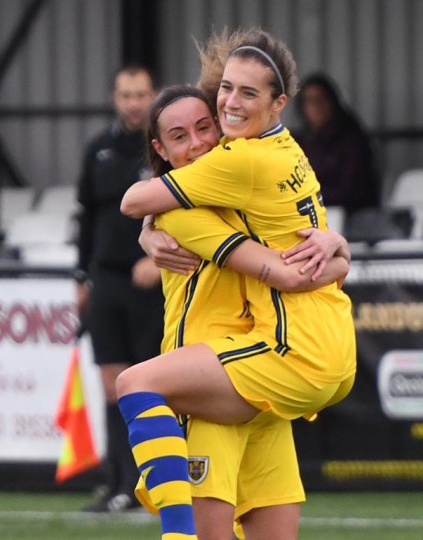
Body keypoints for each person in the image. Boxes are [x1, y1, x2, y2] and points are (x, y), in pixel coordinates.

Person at [118, 28, 357, 539]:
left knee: (134, 384)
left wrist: (338, 249)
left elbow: (291, 263)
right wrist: (339, 253)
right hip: (212, 381)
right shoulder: (186, 207)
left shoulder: (233, 173)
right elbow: (286, 268)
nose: (197, 143)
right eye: (179, 137)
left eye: (204, 128)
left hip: (251, 368)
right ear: (160, 150)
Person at [75, 64, 161, 513]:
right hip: (106, 279)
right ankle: (117, 483)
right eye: (126, 95)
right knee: (111, 384)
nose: (133, 103)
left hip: (151, 282)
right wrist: (82, 278)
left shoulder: (165, 147)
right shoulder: (98, 150)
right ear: (115, 98)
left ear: (154, 95)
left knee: (148, 385)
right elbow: (86, 218)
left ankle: (150, 484)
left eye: (141, 94)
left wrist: (159, 259)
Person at [294, 73, 380, 221]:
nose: (316, 107)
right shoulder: (301, 141)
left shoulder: (352, 139)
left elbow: (352, 189)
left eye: (321, 99)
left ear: (332, 102)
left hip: (354, 218)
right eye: (309, 101)